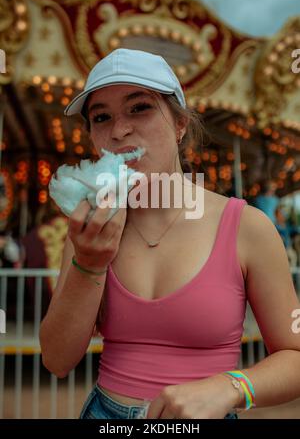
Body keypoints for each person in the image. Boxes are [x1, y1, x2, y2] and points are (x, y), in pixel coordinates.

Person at [40, 48, 300, 420]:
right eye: (102, 117)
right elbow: (57, 359)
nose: (119, 130)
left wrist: (231, 387)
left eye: (140, 107)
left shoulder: (246, 227)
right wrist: (90, 263)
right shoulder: (90, 228)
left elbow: (295, 356)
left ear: (180, 124)